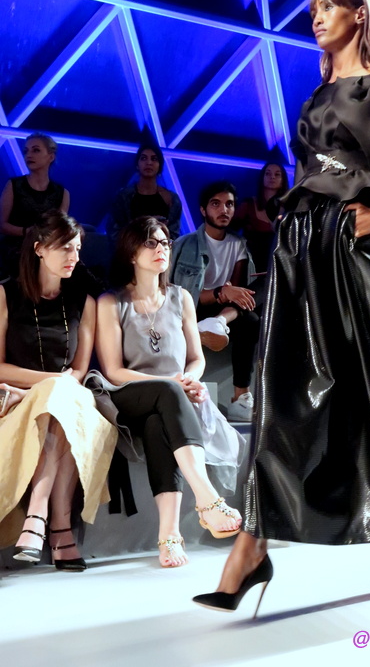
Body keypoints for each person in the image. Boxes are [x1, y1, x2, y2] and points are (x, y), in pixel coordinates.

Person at [192, 0, 370, 615]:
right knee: (288, 394)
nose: (316, 17)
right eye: (313, 9)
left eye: (328, 7)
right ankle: (251, 547)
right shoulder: (316, 96)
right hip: (306, 250)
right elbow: (312, 174)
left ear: (359, 13)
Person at [94, 216, 242, 568]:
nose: (161, 249)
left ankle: (169, 536)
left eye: (165, 242)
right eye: (151, 242)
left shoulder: (181, 297)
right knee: (165, 393)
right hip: (126, 394)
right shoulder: (111, 302)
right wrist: (173, 384)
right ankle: (207, 499)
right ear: (132, 253)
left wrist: (189, 380)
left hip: (172, 399)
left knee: (158, 424)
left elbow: (196, 359)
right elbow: (113, 370)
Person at [0, 211, 117, 570]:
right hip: (16, 401)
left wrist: (55, 387)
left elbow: (78, 371)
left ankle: (37, 517)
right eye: (65, 248)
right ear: (39, 249)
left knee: (62, 404)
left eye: (78, 248)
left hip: (66, 399)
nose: (74, 256)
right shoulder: (5, 294)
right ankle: (60, 528)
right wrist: (50, 383)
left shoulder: (84, 301)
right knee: (59, 399)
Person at [170, 181, 260, 423]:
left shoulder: (238, 244)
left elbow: (240, 294)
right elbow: (180, 293)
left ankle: (240, 398)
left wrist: (227, 298)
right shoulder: (185, 244)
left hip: (225, 312)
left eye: (229, 204)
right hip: (192, 309)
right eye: (216, 204)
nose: (224, 210)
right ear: (203, 210)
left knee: (252, 317)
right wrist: (221, 292)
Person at [0, 133, 69, 276]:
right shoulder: (13, 185)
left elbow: (59, 230)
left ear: (51, 157)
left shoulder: (62, 193)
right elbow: (2, 225)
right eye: (26, 151)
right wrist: (28, 232)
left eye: (36, 150)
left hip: (45, 252)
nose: (29, 155)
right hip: (13, 252)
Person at [107, 143, 182, 246]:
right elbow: (114, 233)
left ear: (160, 165)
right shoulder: (123, 197)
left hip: (160, 250)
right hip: (130, 251)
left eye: (154, 159)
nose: (149, 163)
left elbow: (174, 237)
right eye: (143, 158)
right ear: (137, 164)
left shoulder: (172, 199)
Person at [232, 162, 289, 273]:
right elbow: (230, 233)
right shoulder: (248, 205)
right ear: (262, 177)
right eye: (268, 174)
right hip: (251, 268)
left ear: (283, 180)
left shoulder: (290, 208)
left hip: (280, 269)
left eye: (277, 174)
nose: (272, 177)